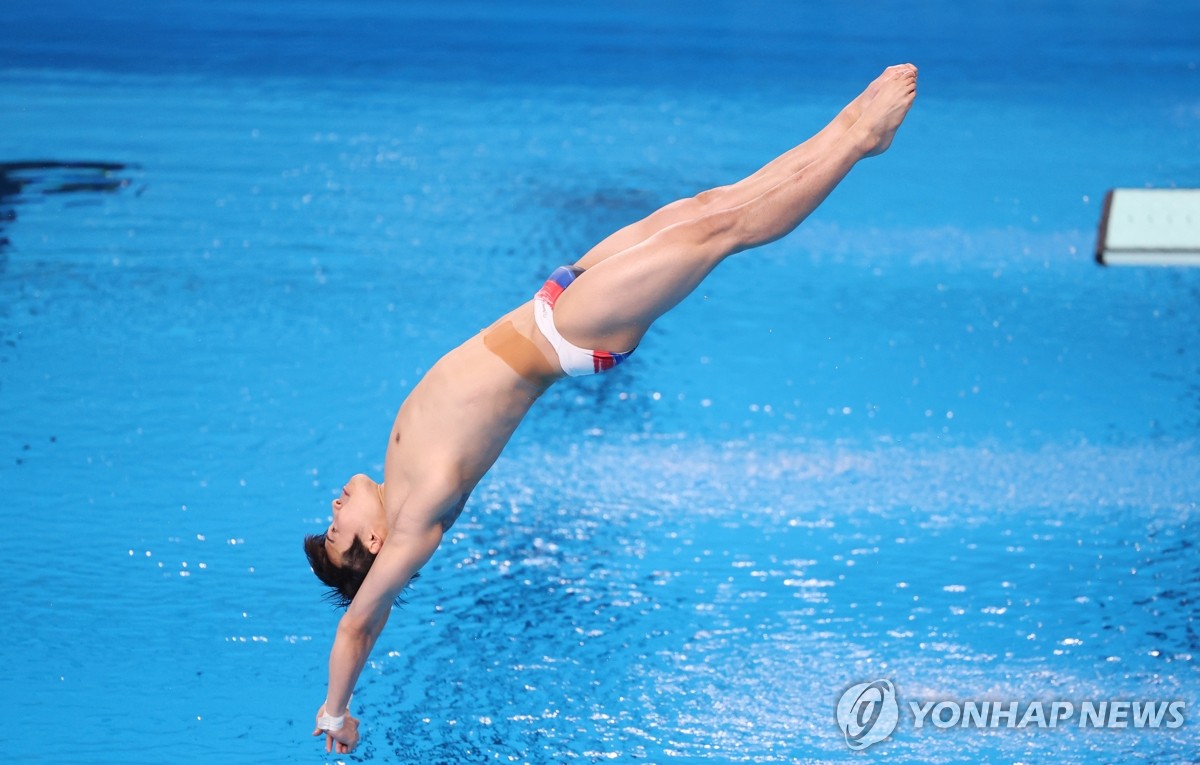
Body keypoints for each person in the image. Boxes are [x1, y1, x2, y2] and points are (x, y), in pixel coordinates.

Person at [306, 64, 918, 753]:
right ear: (377, 546)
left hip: (558, 297)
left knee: (709, 205)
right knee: (724, 229)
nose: (332, 510)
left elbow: (369, 607)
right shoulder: (416, 521)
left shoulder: (398, 473)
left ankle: (845, 128)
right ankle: (859, 140)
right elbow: (360, 622)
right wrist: (336, 709)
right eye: (337, 532)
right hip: (572, 331)